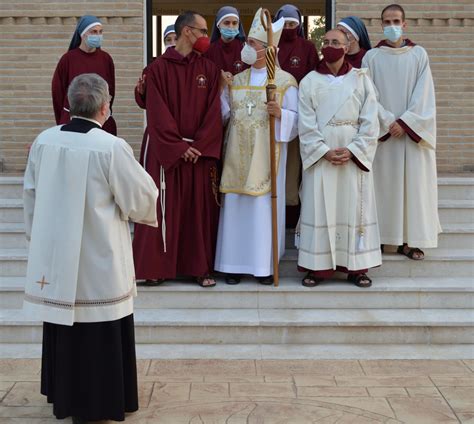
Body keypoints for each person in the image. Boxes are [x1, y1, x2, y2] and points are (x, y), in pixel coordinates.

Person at [23, 73, 158, 423]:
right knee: (101, 329)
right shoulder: (110, 146)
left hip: (57, 260)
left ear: (70, 104)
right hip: (100, 260)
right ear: (104, 106)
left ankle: (65, 398)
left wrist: (40, 240)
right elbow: (142, 197)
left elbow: (31, 197)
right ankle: (102, 402)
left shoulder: (44, 141)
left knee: (65, 328)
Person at [132, 11, 223, 287]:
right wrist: (177, 145)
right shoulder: (157, 68)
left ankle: (199, 268)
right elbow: (156, 111)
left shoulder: (209, 70)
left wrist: (199, 145)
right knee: (161, 208)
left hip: (198, 152)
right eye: (203, 31)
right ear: (187, 32)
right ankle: (155, 268)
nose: (207, 37)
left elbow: (213, 113)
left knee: (198, 209)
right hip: (165, 149)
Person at [215, 8, 298, 284]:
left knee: (262, 211)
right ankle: (232, 265)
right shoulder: (236, 80)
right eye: (247, 43)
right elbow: (225, 116)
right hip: (237, 158)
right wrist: (220, 93)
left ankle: (264, 266)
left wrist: (280, 115)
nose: (245, 48)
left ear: (266, 49)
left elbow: (297, 122)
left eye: (252, 44)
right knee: (237, 208)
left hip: (267, 158)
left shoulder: (284, 82)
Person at [297, 29, 381, 288]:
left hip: (352, 153)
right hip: (322, 154)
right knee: (319, 208)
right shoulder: (309, 81)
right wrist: (322, 150)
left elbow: (371, 118)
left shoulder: (361, 79)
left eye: (336, 42)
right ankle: (316, 267)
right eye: (327, 42)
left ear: (347, 47)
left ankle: (357, 267)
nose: (330, 46)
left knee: (354, 207)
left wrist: (355, 149)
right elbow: (305, 122)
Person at [362, 4, 440, 260]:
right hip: (386, 136)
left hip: (410, 135)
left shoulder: (419, 55)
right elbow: (368, 95)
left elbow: (424, 94)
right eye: (387, 21)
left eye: (396, 20)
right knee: (385, 188)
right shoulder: (371, 58)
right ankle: (386, 238)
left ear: (405, 24)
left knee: (413, 189)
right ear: (381, 24)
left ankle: (411, 241)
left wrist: (405, 122)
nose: (392, 25)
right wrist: (387, 121)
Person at [274, 4, 319, 227]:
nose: (289, 28)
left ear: (299, 26)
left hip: (299, 113)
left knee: (294, 166)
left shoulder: (307, 47)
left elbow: (314, 77)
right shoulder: (271, 46)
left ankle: (292, 215)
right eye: (285, 24)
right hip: (273, 114)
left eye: (293, 24)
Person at [52, 15, 117, 135]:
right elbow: (58, 93)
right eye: (93, 32)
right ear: (82, 34)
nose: (98, 35)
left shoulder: (105, 59)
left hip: (101, 120)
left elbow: (110, 90)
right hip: (72, 121)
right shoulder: (68, 59)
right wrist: (64, 117)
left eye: (100, 32)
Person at [205, 6, 248, 77]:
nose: (231, 26)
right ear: (218, 25)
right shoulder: (209, 50)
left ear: (238, 25)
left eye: (234, 23)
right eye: (226, 23)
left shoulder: (245, 49)